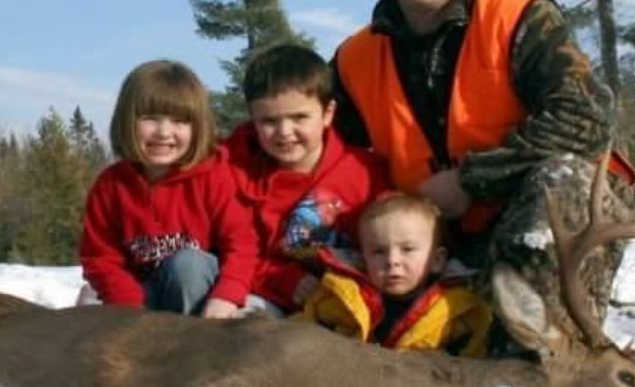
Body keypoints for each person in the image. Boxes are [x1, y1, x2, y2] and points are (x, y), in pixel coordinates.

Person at [330, 0, 635, 326]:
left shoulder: (518, 14)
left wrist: (471, 180)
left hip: (532, 217)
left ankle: (545, 355)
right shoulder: (354, 58)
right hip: (429, 243)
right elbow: (317, 151)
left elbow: (585, 119)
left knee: (563, 181)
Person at [79, 60, 256, 319]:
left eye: (179, 121)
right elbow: (100, 256)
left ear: (197, 127)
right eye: (150, 118)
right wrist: (129, 308)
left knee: (188, 264)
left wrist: (227, 295)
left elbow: (241, 244)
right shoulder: (111, 185)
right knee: (87, 309)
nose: (164, 132)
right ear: (127, 120)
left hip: (200, 296)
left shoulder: (215, 176)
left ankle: (192, 346)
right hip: (138, 297)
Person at [225, 44, 392, 316]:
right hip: (272, 297)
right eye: (268, 121)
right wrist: (288, 281)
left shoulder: (365, 172)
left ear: (328, 114)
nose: (284, 132)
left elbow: (391, 236)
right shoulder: (238, 175)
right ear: (252, 119)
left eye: (299, 117)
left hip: (355, 298)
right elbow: (236, 253)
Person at [300, 192, 491, 355]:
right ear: (363, 259)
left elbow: (471, 364)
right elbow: (303, 337)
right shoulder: (341, 301)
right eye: (379, 251)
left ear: (437, 260)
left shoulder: (458, 312)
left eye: (407, 249)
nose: (393, 261)